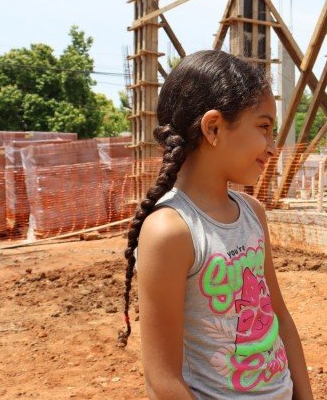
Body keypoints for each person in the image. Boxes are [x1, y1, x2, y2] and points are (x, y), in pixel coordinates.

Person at [117, 50, 313, 399]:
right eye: (264, 127)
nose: (271, 148)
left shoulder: (253, 213)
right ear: (213, 128)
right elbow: (162, 382)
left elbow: (279, 316)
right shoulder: (171, 231)